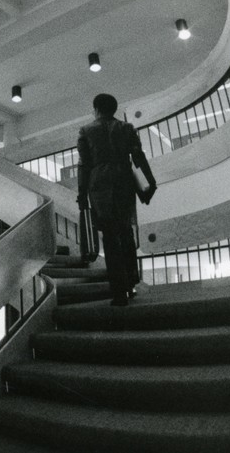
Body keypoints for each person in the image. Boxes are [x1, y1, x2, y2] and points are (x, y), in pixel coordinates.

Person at [77, 93, 157, 306]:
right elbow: (138, 158)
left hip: (99, 185)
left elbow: (84, 165)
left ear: (96, 109)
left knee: (110, 238)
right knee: (126, 232)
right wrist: (152, 182)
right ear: (113, 109)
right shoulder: (127, 128)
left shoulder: (86, 131)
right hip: (123, 181)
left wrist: (81, 194)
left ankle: (119, 292)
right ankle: (131, 282)